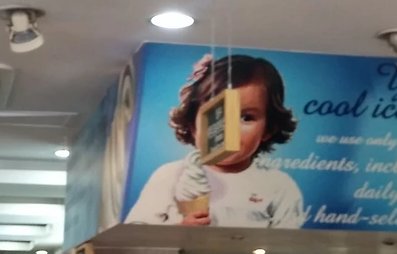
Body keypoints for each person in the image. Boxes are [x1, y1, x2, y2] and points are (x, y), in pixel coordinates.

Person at [125, 53, 306, 228]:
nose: (228, 129)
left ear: (268, 129)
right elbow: (136, 229)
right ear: (193, 126)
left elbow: (288, 245)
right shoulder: (171, 175)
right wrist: (179, 230)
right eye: (216, 115)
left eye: (246, 117)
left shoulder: (279, 186)